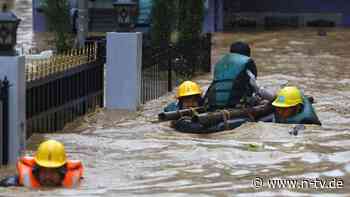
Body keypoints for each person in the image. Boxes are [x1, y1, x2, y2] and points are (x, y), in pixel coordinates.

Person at [0, 140, 83, 188]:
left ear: (62, 172)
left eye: (53, 171)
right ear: (36, 170)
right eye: (43, 171)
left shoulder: (75, 181)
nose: (47, 176)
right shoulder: (13, 183)